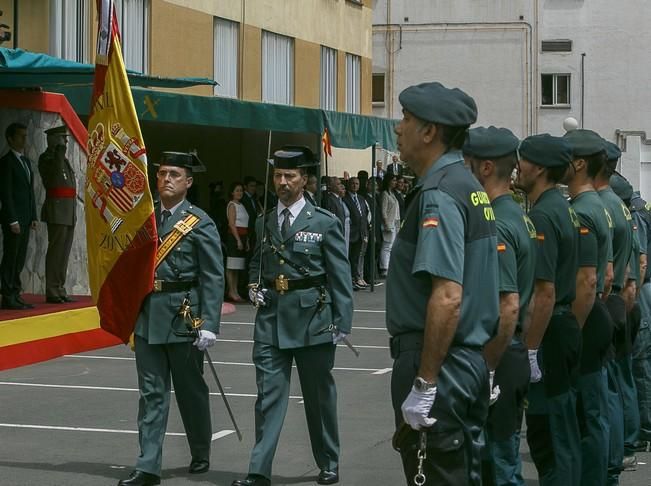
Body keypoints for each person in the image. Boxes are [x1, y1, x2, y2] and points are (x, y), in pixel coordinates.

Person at [387, 82, 499, 485]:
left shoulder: (440, 192)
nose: (398, 129)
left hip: (440, 362)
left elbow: (449, 296)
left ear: (429, 131)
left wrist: (425, 382)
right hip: (465, 360)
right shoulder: (469, 188)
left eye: (406, 119)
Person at [234, 146, 353, 486]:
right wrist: (254, 286)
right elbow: (258, 262)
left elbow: (340, 277)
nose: (282, 182)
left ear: (305, 180)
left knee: (318, 397)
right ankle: (259, 470)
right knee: (268, 398)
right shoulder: (264, 220)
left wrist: (342, 322)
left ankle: (329, 461)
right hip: (271, 320)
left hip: (313, 320)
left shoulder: (324, 222)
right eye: (278, 176)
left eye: (290, 176)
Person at [118, 152, 224, 486]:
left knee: (190, 390)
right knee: (151, 393)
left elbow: (212, 276)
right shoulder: (144, 217)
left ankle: (200, 448)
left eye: (175, 174)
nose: (166, 179)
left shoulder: (199, 222)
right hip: (149, 316)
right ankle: (148, 465)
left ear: (188, 182)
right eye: (162, 173)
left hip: (183, 317)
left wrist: (209, 323)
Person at [463, 126, 536, 486]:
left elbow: (509, 305)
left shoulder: (499, 222)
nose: (463, 169)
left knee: (497, 461)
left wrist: (488, 369)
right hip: (512, 350)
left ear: (486, 168)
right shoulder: (518, 215)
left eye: (468, 163)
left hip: (498, 353)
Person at [516, 134, 582, 486]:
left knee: (549, 435)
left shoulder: (543, 215)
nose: (517, 166)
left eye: (522, 160)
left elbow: (544, 292)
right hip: (562, 326)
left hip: (550, 331)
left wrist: (529, 351)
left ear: (539, 167)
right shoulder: (561, 207)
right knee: (564, 432)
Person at [562, 129, 614, 486]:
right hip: (598, 313)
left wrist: (572, 333)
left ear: (578, 164)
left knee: (587, 416)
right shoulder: (599, 205)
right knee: (594, 412)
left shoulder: (583, 210)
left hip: (585, 317)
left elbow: (590, 280)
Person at [597, 142, 634, 482]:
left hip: (605, 301)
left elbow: (605, 273)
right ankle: (616, 452)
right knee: (614, 385)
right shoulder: (618, 206)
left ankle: (608, 461)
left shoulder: (603, 206)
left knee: (604, 389)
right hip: (619, 300)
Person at [38, 125, 77, 304]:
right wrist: (58, 152)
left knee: (64, 252)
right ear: (54, 140)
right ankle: (52, 289)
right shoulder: (48, 158)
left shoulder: (62, 159)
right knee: (56, 251)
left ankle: (59, 287)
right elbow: (53, 178)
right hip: (57, 209)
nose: (65, 143)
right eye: (63, 139)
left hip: (67, 211)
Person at [0, 122, 37, 310]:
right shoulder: (6, 162)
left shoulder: (26, 161)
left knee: (20, 257)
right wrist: (12, 219)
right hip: (13, 220)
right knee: (11, 257)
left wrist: (34, 216)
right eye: (20, 136)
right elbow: (5, 194)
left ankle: (15, 292)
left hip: (25, 218)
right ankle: (7, 295)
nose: (24, 139)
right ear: (10, 139)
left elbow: (30, 192)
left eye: (25, 135)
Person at [630, 190, 651, 451]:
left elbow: (641, 262)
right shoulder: (642, 211)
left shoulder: (635, 215)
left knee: (641, 364)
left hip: (643, 292)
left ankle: (645, 429)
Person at [343, 177, 370, 289]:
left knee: (357, 256)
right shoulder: (345, 198)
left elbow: (364, 215)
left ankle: (357, 277)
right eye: (353, 183)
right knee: (350, 257)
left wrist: (365, 231)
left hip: (361, 232)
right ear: (349, 185)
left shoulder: (361, 198)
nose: (355, 186)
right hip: (351, 232)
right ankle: (353, 278)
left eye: (357, 184)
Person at [225, 181, 249, 302]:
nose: (239, 193)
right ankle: (231, 291)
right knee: (231, 265)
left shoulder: (242, 205)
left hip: (243, 236)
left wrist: (246, 241)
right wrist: (238, 240)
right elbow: (232, 224)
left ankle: (235, 291)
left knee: (237, 266)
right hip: (234, 237)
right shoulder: (232, 205)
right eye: (237, 190)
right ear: (232, 193)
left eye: (241, 190)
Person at [379, 173, 400, 278]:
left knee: (391, 246)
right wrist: (386, 223)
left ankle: (389, 266)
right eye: (393, 180)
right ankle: (384, 268)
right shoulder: (385, 194)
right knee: (386, 246)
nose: (395, 182)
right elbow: (383, 211)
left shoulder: (392, 193)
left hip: (394, 223)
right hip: (389, 223)